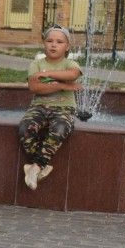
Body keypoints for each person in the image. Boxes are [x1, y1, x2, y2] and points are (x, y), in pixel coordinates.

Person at [18, 25, 81, 190]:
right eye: (49, 41)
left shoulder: (69, 63)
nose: (54, 45)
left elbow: (73, 75)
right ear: (44, 43)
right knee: (25, 127)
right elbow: (35, 88)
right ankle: (40, 166)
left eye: (59, 42)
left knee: (60, 127)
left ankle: (34, 168)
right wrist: (64, 86)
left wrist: (47, 75)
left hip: (64, 108)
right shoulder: (36, 64)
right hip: (38, 107)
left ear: (67, 47)